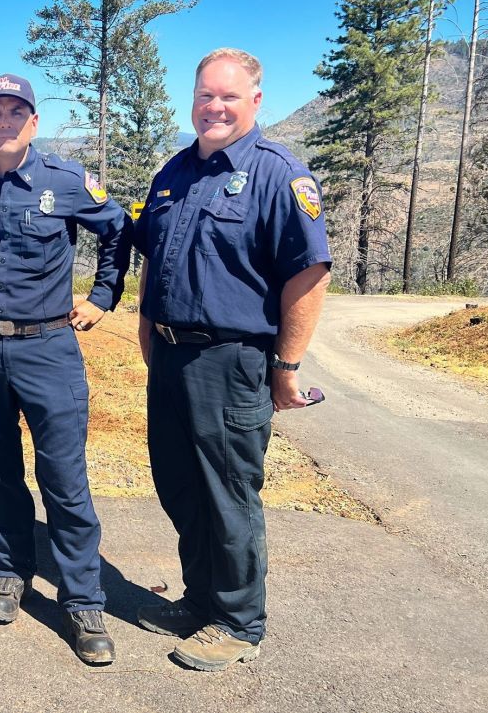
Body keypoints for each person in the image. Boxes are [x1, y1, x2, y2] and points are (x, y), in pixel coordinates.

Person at [132, 48, 332, 671]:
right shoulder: (173, 172)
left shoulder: (280, 176)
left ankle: (240, 621)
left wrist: (287, 366)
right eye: (204, 95)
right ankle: (199, 600)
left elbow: (309, 273)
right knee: (180, 486)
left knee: (228, 494)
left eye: (228, 96)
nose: (213, 107)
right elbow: (151, 261)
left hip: (231, 361)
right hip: (170, 359)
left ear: (255, 101)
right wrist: (148, 336)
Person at [0, 73, 131, 664]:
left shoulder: (67, 181)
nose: (4, 120)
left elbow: (118, 230)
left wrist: (103, 296)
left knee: (64, 478)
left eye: (15, 111)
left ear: (33, 122)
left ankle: (82, 599)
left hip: (47, 347)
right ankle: (10, 570)